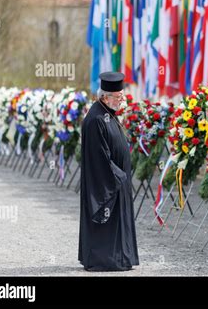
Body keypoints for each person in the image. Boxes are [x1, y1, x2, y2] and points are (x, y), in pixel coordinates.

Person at [78, 71, 139, 271]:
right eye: (118, 96)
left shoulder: (107, 114)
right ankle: (106, 259)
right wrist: (119, 176)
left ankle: (121, 257)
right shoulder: (96, 119)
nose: (122, 100)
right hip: (108, 183)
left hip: (118, 181)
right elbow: (98, 158)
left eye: (122, 95)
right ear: (105, 96)